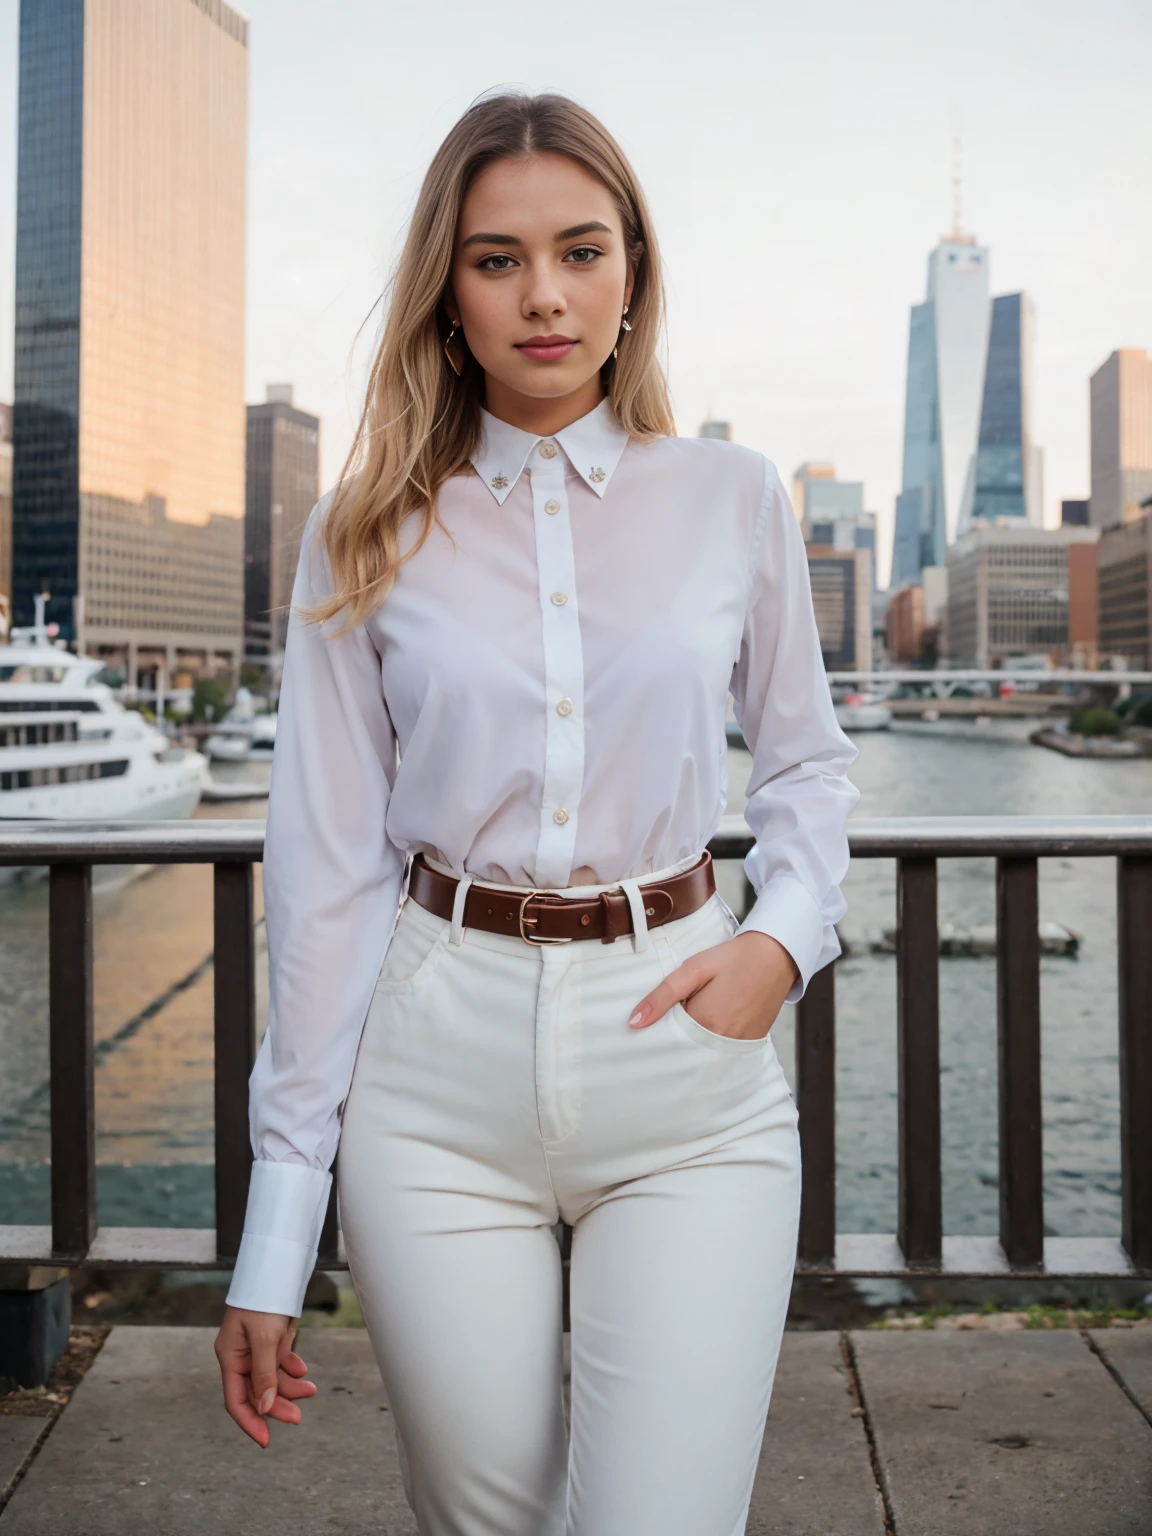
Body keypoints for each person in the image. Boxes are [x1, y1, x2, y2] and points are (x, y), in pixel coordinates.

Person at [214, 90, 859, 1535]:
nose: (545, 295)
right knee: (486, 1525)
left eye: (582, 249)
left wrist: (784, 941)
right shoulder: (365, 525)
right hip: (432, 1079)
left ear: (635, 273)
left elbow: (809, 766)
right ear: (448, 291)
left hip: (687, 1059)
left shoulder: (735, 498)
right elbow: (324, 871)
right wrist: (275, 1232)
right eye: (497, 258)